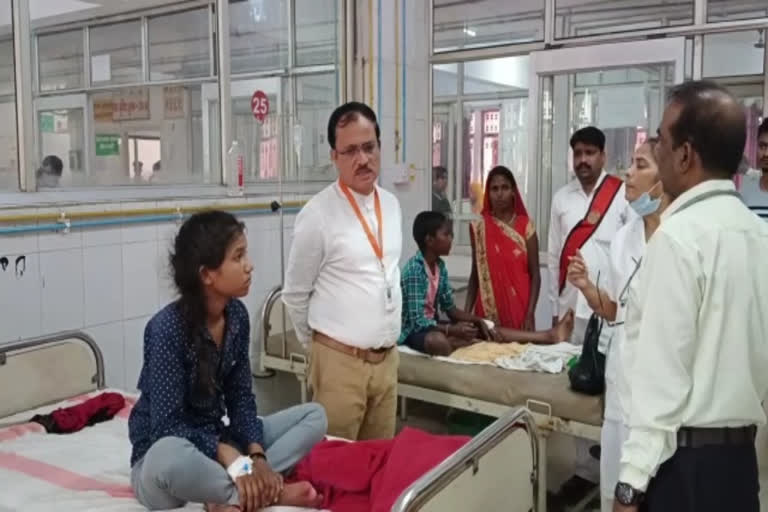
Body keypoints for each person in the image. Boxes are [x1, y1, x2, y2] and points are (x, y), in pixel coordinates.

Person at [613, 81, 768, 512]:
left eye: (661, 138)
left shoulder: (678, 240)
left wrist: (629, 485)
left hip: (683, 469)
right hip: (740, 466)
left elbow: (661, 381)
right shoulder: (759, 236)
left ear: (685, 155)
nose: (656, 149)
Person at [128, 211, 327, 512]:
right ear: (207, 274)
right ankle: (266, 493)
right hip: (167, 459)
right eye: (238, 257)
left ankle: (235, 488)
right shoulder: (165, 329)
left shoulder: (237, 317)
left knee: (315, 416)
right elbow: (167, 427)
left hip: (220, 441)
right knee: (165, 455)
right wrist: (229, 455)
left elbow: (241, 398)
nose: (250, 266)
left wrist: (256, 456)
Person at [283, 102, 402, 441]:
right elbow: (295, 294)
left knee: (380, 462)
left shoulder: (392, 205)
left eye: (369, 147)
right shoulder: (317, 214)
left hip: (387, 362)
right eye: (350, 151)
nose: (362, 159)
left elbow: (385, 273)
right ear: (334, 157)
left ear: (380, 146)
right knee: (337, 467)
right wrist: (321, 350)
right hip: (339, 364)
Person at [566, 139, 668, 512]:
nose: (628, 172)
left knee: (658, 486)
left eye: (640, 164)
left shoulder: (680, 236)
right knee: (619, 488)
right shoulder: (625, 238)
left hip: (661, 381)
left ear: (667, 174)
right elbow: (612, 309)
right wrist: (587, 288)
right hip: (621, 374)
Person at [547, 126, 631, 497]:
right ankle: (584, 471)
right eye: (577, 153)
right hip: (574, 311)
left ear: (603, 155)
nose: (583, 160)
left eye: (590, 153)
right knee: (581, 387)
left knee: (615, 391)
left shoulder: (624, 195)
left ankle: (618, 472)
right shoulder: (562, 199)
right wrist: (556, 306)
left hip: (613, 311)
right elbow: (554, 256)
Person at [400, 211, 573, 356]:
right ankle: (460, 353)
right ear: (429, 240)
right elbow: (417, 323)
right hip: (414, 333)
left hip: (434, 327)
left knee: (487, 327)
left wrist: (477, 320)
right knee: (436, 340)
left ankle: (548, 336)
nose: (451, 238)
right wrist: (451, 330)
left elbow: (450, 309)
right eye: (446, 234)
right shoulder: (415, 270)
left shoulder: (440, 267)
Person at [466, 166, 540, 331]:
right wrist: (466, 316)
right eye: (494, 189)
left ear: (513, 191)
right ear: (488, 194)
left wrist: (530, 314)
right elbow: (475, 275)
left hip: (520, 309)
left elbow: (535, 275)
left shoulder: (526, 226)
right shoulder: (478, 228)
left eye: (505, 188)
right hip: (487, 310)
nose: (500, 194)